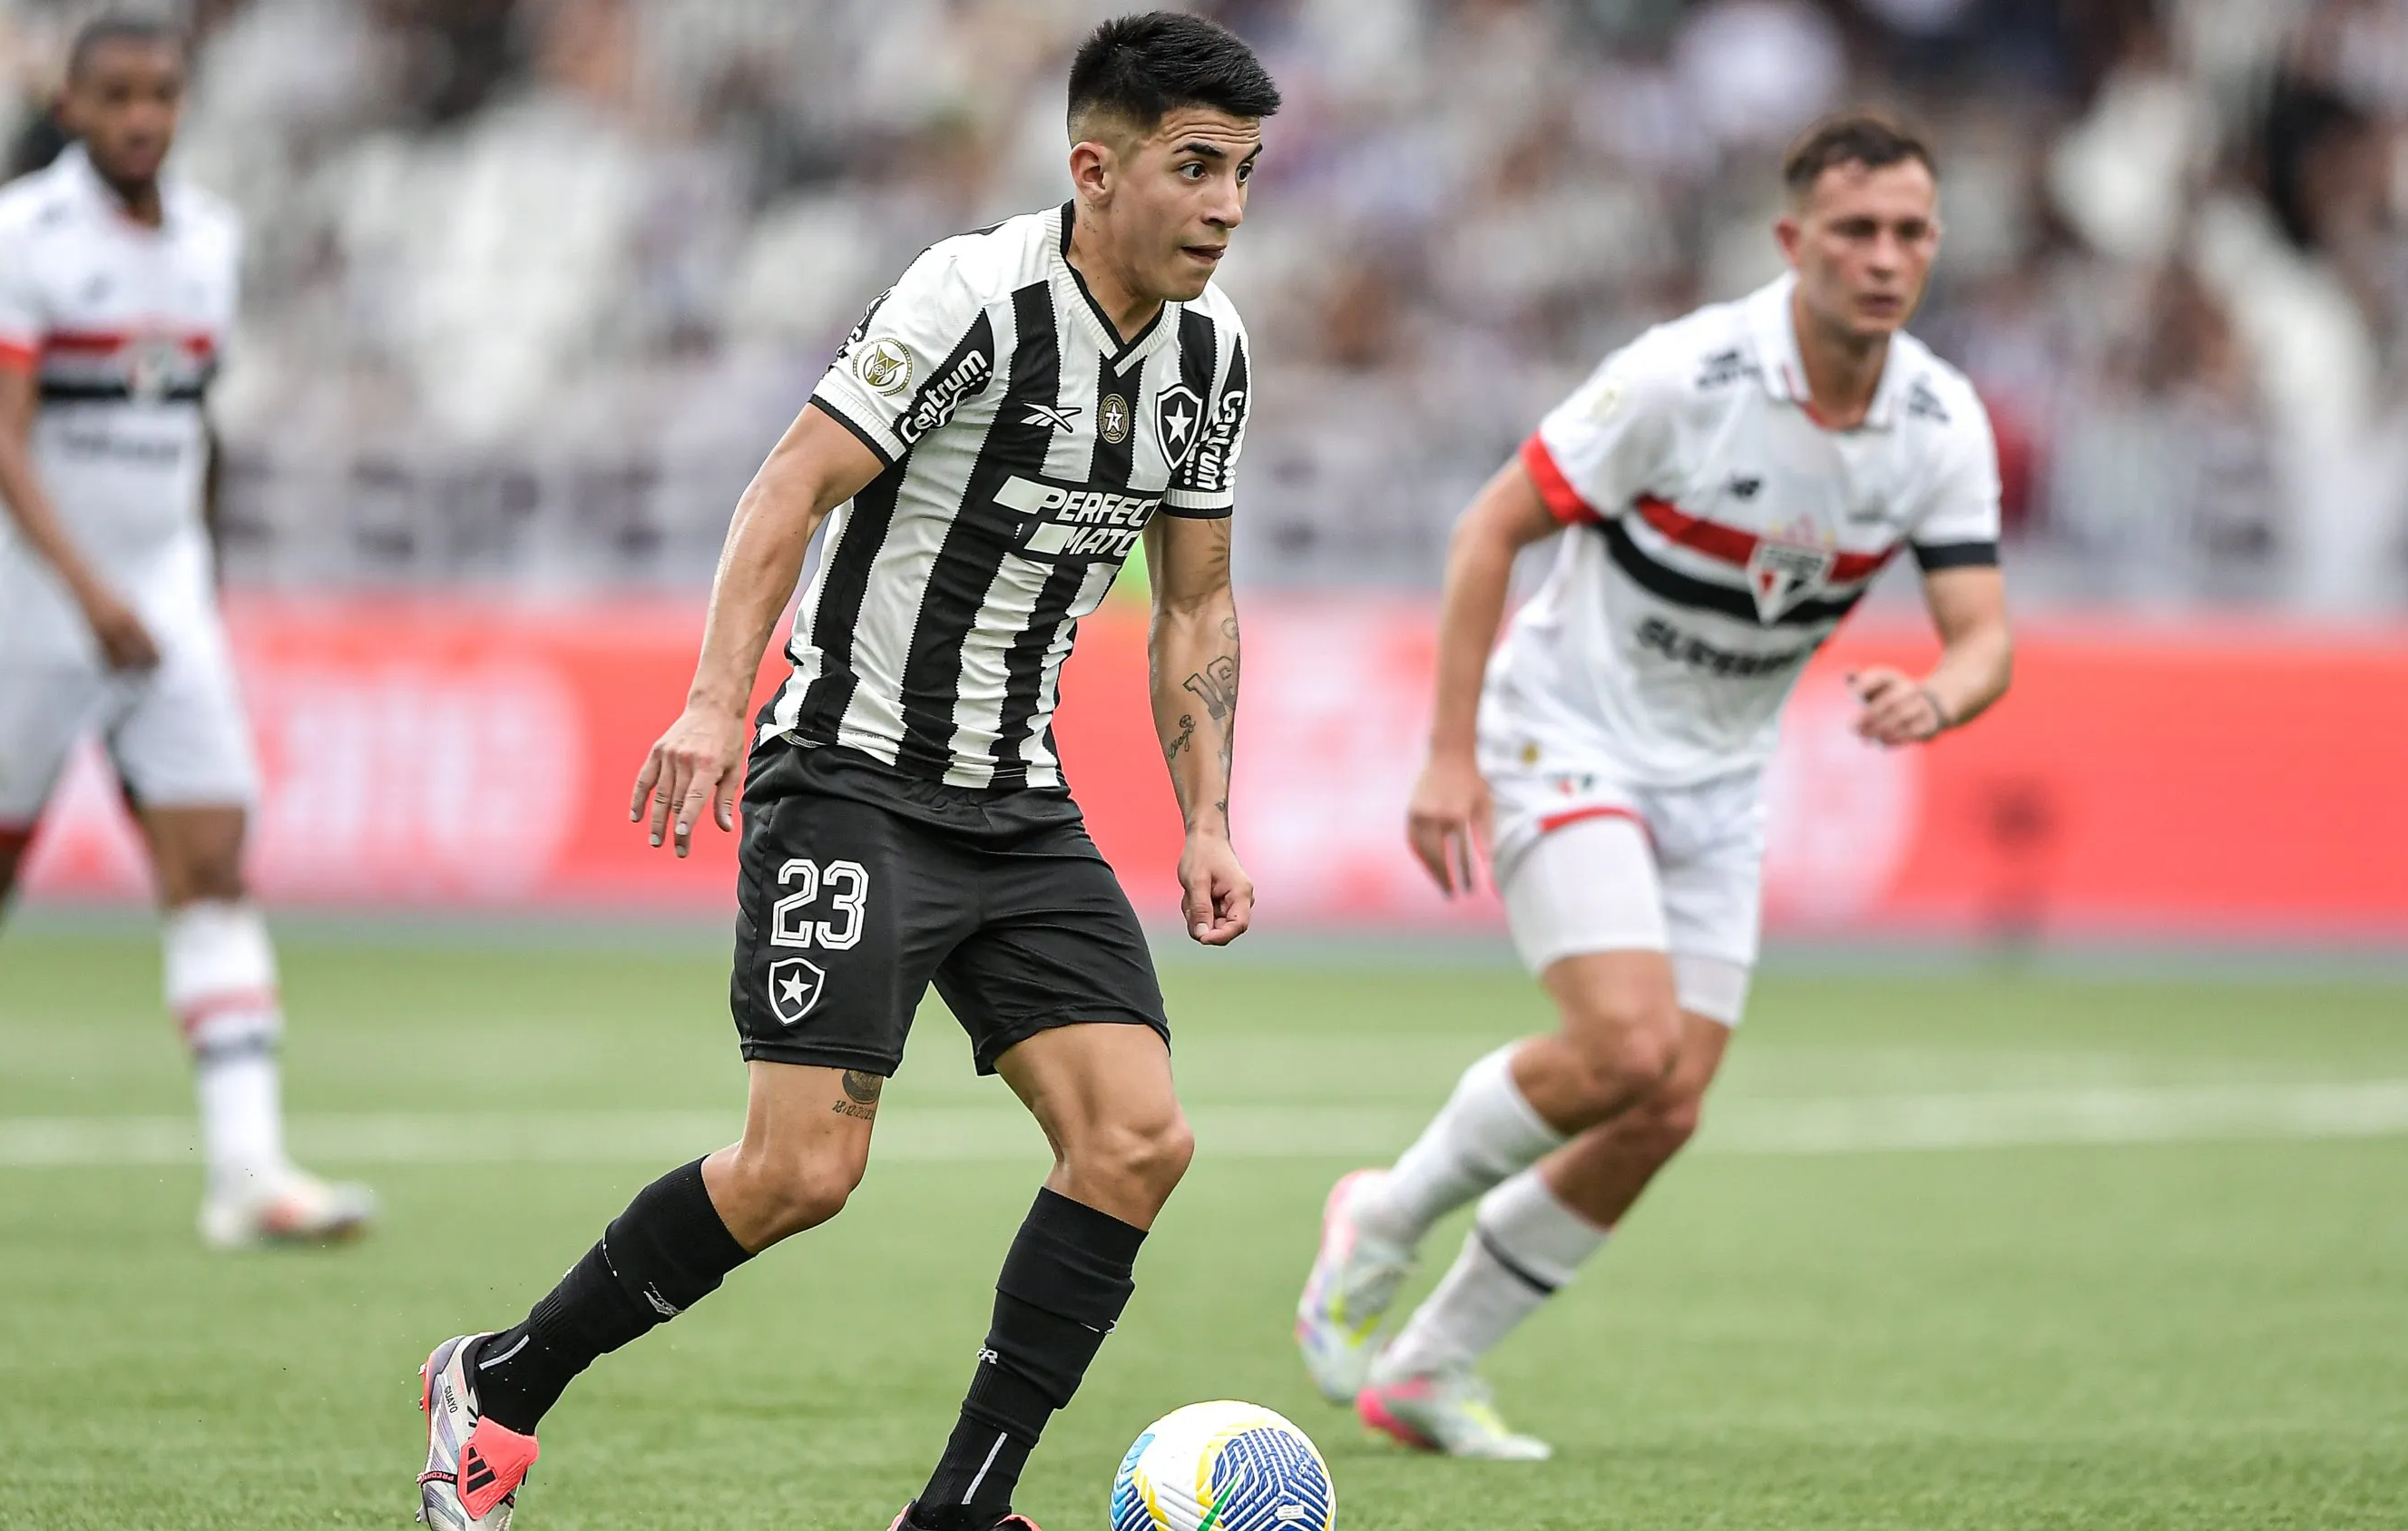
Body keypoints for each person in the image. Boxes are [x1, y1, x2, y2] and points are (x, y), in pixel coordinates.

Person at [410, 14, 1276, 1530]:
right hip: (854, 778)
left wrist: (1207, 815)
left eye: (1245, 174)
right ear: (1095, 167)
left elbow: (1194, 598)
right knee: (800, 1171)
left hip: (1017, 798)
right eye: (1195, 168)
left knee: (1137, 1139)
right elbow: (793, 483)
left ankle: (960, 1509)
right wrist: (709, 705)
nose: (1226, 207)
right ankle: (500, 1376)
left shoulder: (1211, 355)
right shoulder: (973, 298)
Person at [1294, 112, 2015, 1458]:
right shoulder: (1686, 376)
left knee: (1666, 1102)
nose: (1885, 257)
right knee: (1624, 1044)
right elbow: (1491, 526)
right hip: (1566, 729)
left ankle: (1431, 1368)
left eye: (1911, 231)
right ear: (1794, 242)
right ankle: (1382, 1216)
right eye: (1855, 230)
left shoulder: (1938, 420)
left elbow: (1983, 635)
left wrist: (1943, 692)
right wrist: (1450, 751)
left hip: (1724, 775)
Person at [0, 15, 372, 1251]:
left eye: (162, 96)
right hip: (34, 607)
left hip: (162, 604)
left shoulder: (211, 239)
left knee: (214, 864)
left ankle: (248, 1171)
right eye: (118, 96)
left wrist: (188, 587)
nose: (142, 117)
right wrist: (94, 596)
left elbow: (190, 430)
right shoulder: (19, 235)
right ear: (70, 105)